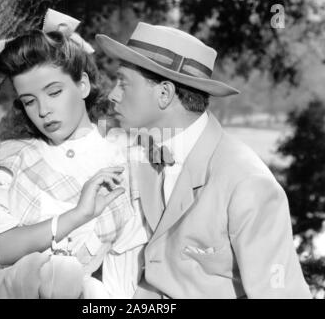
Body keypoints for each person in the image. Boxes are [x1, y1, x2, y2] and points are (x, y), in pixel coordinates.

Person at [96, 22, 312, 298]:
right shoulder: (139, 151)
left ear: (164, 94)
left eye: (123, 83)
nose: (113, 94)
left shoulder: (248, 183)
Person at [0, 10, 147, 299]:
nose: (43, 111)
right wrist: (75, 217)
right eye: (30, 101)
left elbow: (124, 263)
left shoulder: (126, 159)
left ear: (82, 85)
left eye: (54, 92)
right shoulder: (17, 159)